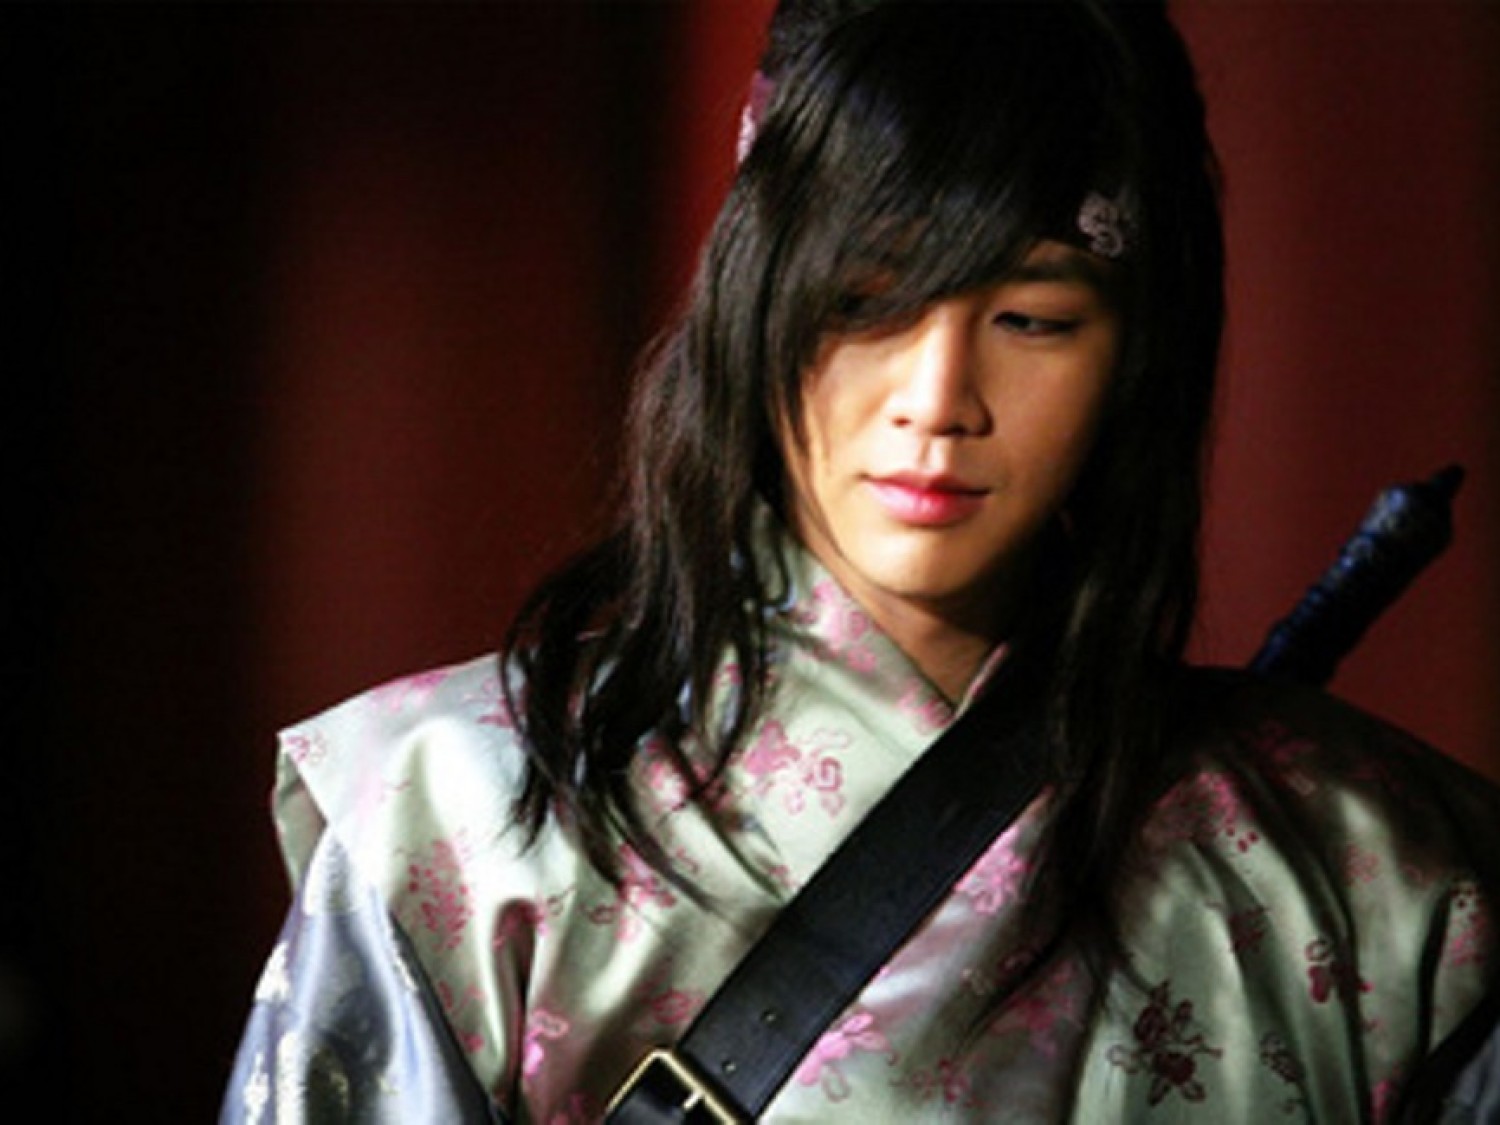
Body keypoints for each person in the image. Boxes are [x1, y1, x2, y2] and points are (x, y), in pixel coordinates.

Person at [222, 2, 1500, 1121]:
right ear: (754, 301)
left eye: (1033, 319)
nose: (937, 399)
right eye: (863, 304)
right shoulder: (462, 823)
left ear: (1136, 359)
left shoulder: (1381, 879)